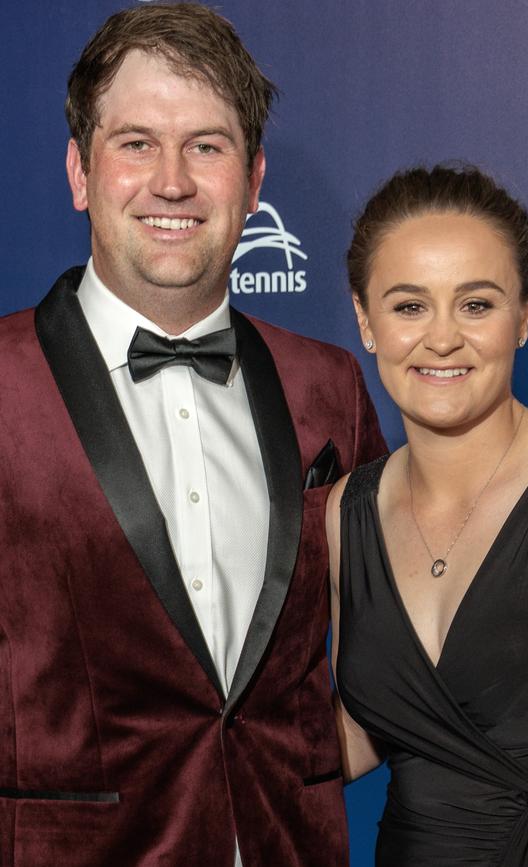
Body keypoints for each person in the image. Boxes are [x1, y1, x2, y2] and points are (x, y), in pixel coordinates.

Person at [0, 4, 385, 866]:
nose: (171, 181)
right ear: (79, 172)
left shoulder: (328, 384)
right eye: (136, 142)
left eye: (205, 146)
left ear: (252, 181)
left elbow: (394, 641)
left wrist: (308, 767)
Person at [327, 163, 528, 866]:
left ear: (525, 314)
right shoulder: (344, 512)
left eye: (476, 304)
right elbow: (354, 736)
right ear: (365, 320)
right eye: (409, 306)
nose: (442, 338)